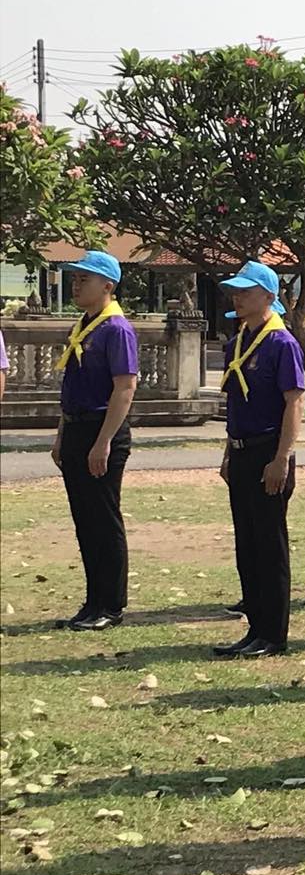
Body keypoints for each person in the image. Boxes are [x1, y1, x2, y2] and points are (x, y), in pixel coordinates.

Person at [214, 262, 305, 658]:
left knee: (269, 545)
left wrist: (282, 457)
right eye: (236, 291)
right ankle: (255, 626)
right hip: (242, 450)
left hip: (269, 450)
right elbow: (236, 402)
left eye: (246, 291)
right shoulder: (239, 341)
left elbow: (294, 402)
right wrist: (227, 451)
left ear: (269, 296)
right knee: (247, 544)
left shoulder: (281, 343)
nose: (238, 297)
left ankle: (273, 633)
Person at [49, 251, 138, 631]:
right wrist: (61, 433)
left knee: (103, 518)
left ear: (108, 286)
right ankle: (93, 599)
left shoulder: (116, 328)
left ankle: (111, 604)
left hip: (103, 429)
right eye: (76, 278)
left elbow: (125, 387)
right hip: (77, 427)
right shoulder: (84, 325)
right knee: (84, 520)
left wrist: (102, 442)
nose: (77, 284)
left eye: (85, 279)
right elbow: (70, 387)